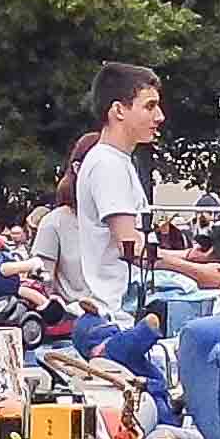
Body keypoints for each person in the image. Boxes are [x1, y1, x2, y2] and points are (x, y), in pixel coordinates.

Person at [76, 62, 165, 317]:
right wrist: (198, 271)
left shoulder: (116, 161)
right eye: (149, 106)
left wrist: (193, 257)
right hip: (121, 315)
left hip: (123, 310)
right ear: (118, 110)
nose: (159, 116)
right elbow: (132, 248)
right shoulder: (107, 164)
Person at [32, 134, 101, 309]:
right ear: (78, 169)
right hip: (77, 323)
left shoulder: (122, 223)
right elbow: (39, 286)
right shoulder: (53, 223)